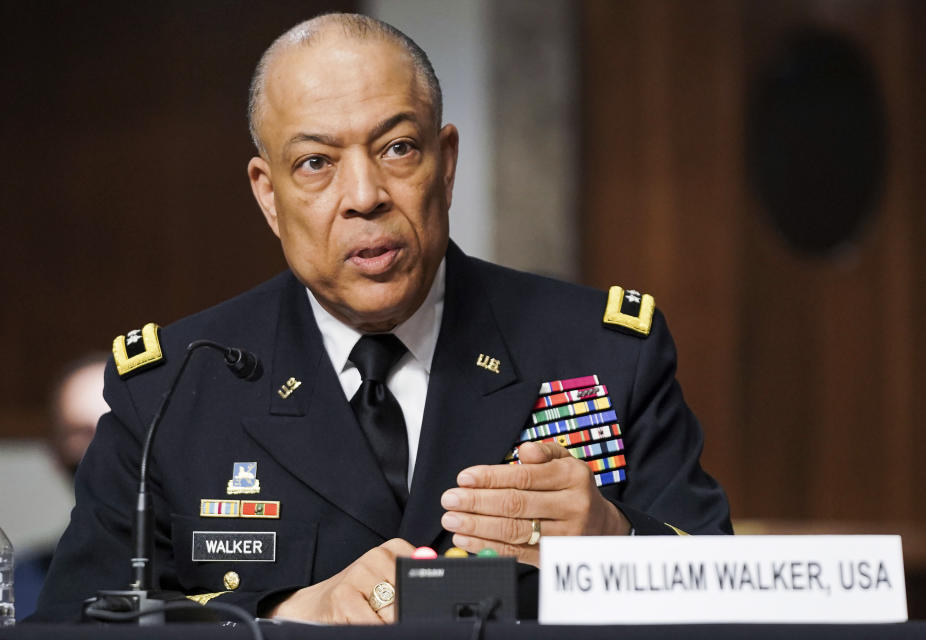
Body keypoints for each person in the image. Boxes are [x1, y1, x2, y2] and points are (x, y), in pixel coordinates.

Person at [33, 13, 731, 624]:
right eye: (315, 163)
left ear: (446, 163)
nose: (365, 195)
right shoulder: (172, 388)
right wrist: (283, 614)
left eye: (398, 148)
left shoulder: (600, 349)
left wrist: (617, 547)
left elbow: (733, 606)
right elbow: (74, 622)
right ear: (267, 195)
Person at [15, 354, 109, 620]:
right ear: (54, 453)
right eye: (81, 433)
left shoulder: (207, 578)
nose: (99, 446)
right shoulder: (18, 586)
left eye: (115, 426)